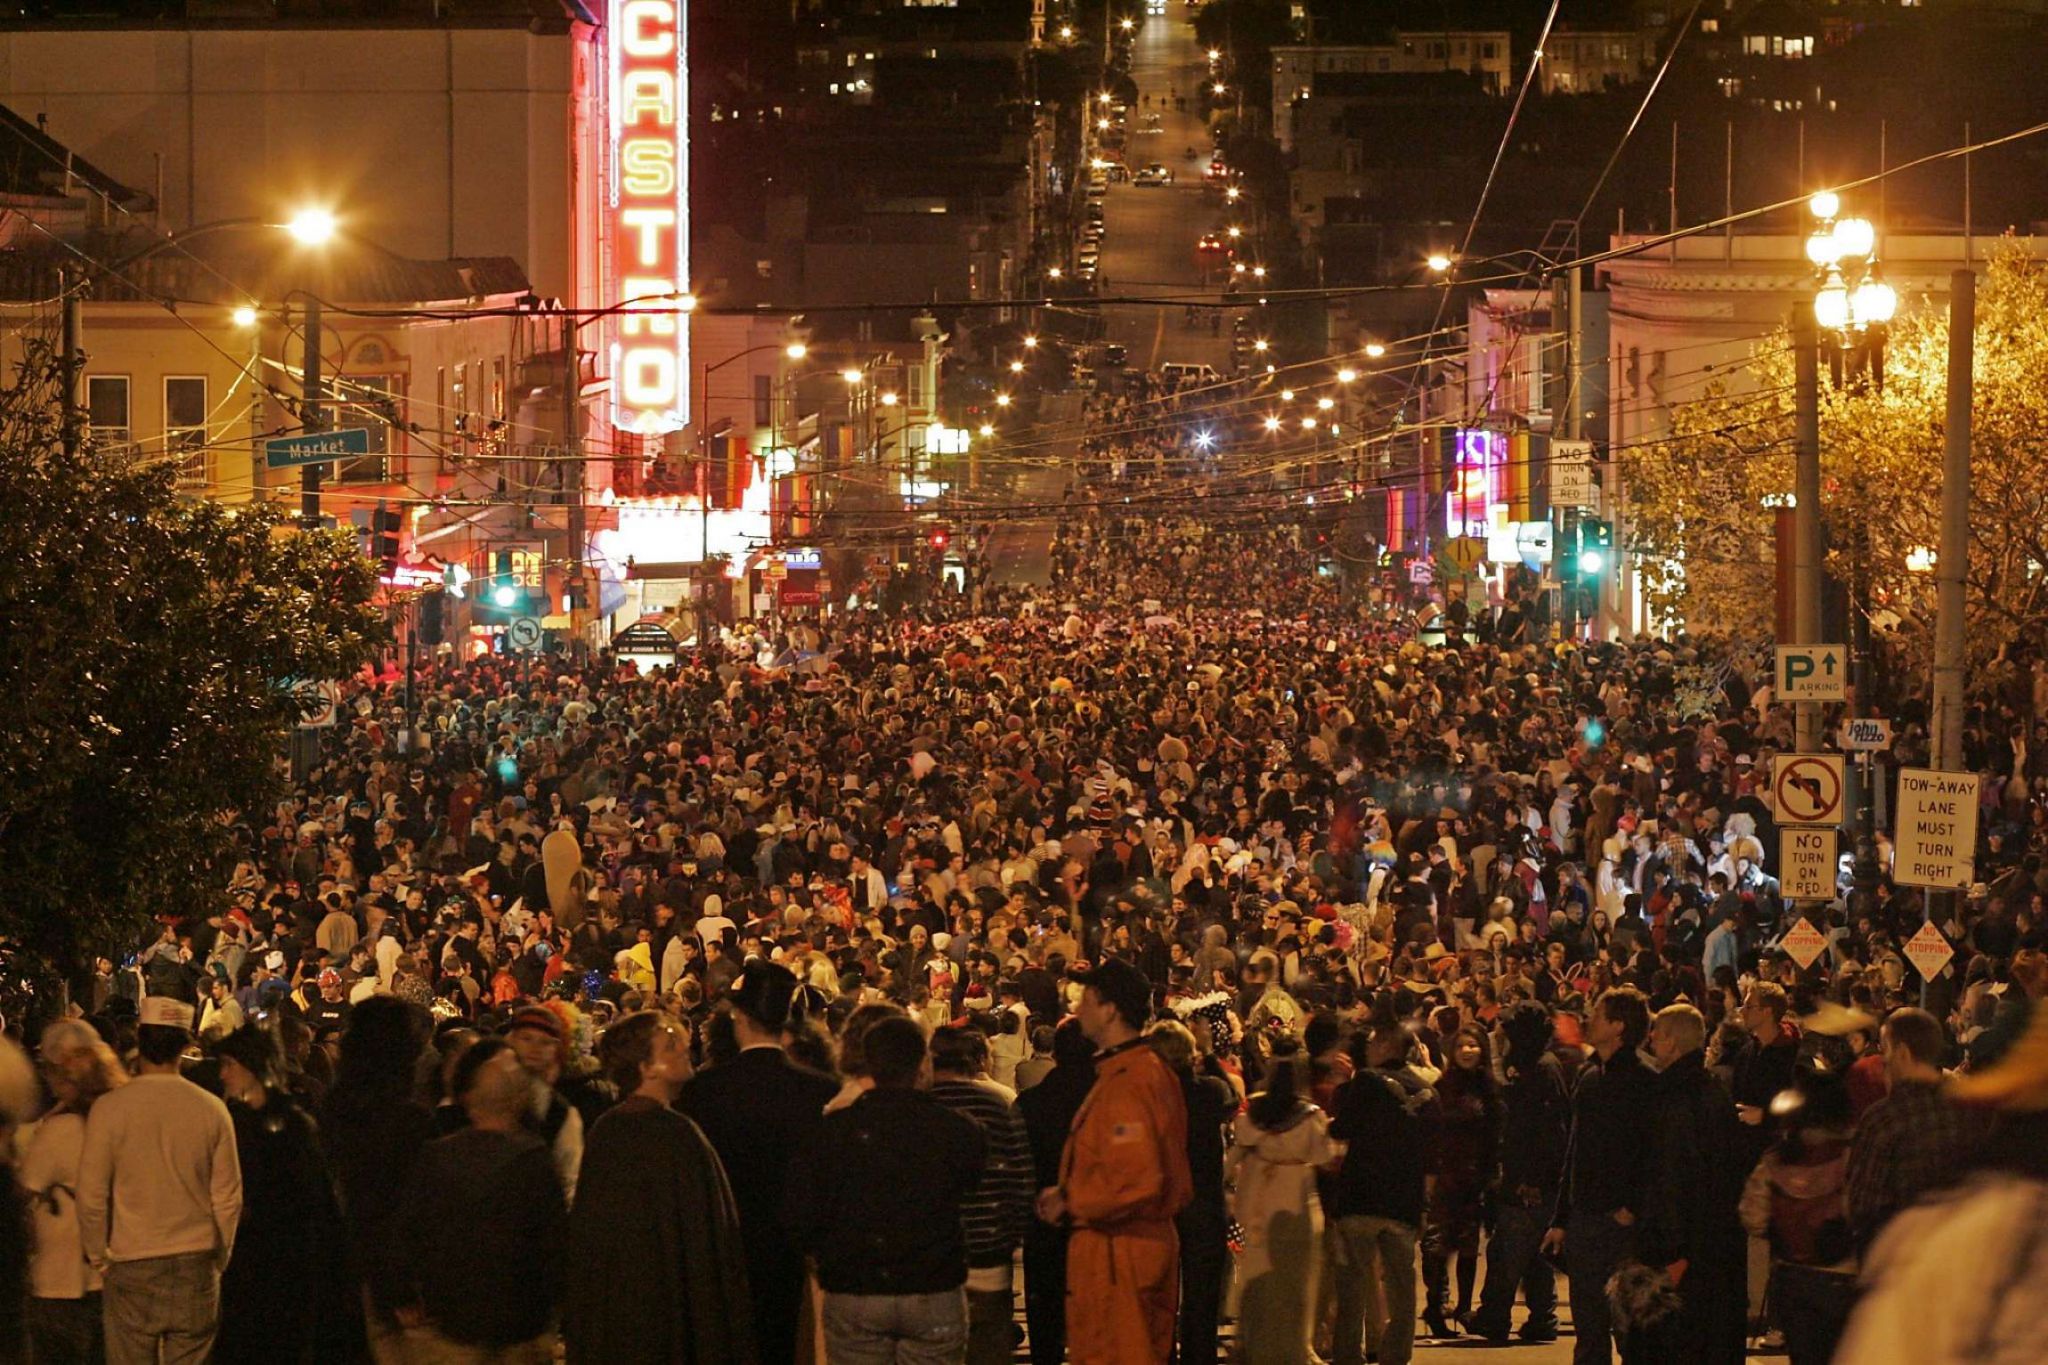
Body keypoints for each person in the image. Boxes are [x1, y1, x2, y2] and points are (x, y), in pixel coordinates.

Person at [786, 1015, 985, 1364]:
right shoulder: (958, 1130)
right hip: (931, 1283)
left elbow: (801, 1212)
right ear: (922, 1064)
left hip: (856, 1285)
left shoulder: (833, 1132)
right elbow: (971, 1183)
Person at [565, 1011, 754, 1364]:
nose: (684, 1048)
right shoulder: (674, 1135)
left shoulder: (609, 1132)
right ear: (645, 1067)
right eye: (670, 1046)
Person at [676, 960, 839, 1365]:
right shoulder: (820, 1090)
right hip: (797, 1250)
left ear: (740, 1019)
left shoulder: (703, 1092)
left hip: (727, 1242)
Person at [1037, 958, 1191, 1365]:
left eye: (1085, 999)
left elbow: (1136, 1179)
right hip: (1122, 1254)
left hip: (1120, 1259)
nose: (1078, 1010)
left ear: (1109, 1009)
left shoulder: (1131, 1081)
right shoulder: (1133, 1072)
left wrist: (1072, 1200)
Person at [75, 997, 243, 1365]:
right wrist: (220, 1256)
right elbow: (228, 1197)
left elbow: (90, 1195)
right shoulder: (211, 1109)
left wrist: (98, 1255)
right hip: (195, 1261)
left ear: (140, 1037)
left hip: (131, 1258)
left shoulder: (110, 1108)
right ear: (185, 1046)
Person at [396, 1038, 568, 1362]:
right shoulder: (533, 1159)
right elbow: (554, 1245)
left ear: (469, 1099)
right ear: (518, 1099)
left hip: (454, 1323)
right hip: (521, 1326)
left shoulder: (438, 1156)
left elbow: (409, 1230)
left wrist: (406, 1294)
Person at [209, 1024, 354, 1363]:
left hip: (274, 1260)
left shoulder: (277, 1124)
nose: (223, 1074)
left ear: (253, 1065)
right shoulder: (258, 1119)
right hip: (270, 1260)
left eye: (230, 1064)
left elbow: (311, 1197)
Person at [319, 994, 439, 1364]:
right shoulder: (407, 1122)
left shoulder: (331, 1109)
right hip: (383, 1281)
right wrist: (399, 1288)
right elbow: (391, 1209)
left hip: (335, 1270)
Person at [1542, 986, 1655, 1365]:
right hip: (1586, 1220)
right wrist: (1561, 1218)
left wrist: (1633, 1207)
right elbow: (1575, 1152)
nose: (1589, 1019)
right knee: (1589, 1330)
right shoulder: (1589, 1077)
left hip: (1622, 1225)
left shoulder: (1644, 1080)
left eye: (1599, 1014)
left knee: (1630, 1329)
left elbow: (1650, 1152)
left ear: (1619, 1025)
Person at [1636, 1003, 1747, 1365]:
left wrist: (1675, 1254)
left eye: (1657, 1032)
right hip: (1713, 1251)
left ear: (1671, 1041)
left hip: (1682, 1255)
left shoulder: (1674, 1097)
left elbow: (1675, 1178)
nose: (1651, 1038)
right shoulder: (1713, 1091)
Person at [1325, 1021, 1434, 1365]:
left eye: (1372, 1042)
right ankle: (1396, 1356)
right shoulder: (1429, 1093)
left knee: (1353, 1285)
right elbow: (1433, 1160)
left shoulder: (1368, 1082)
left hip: (1361, 1198)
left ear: (1387, 1046)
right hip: (1403, 1204)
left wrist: (1343, 1087)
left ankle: (1348, 1356)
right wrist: (1423, 1208)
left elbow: (1342, 1129)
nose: (1367, 1048)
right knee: (1402, 1289)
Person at [927, 1026, 1035, 1365]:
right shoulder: (1000, 1103)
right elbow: (1022, 1175)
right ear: (975, 1060)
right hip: (988, 1257)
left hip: (929, 1262)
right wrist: (1012, 1236)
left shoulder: (920, 1107)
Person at [20, 1020, 126, 1365]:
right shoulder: (117, 1118)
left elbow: (23, 1191)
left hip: (58, 1278)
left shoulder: (60, 1131)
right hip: (109, 1274)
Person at [1738, 1068, 1857, 1365]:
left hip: (1793, 1275)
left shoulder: (1779, 1158)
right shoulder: (1850, 1156)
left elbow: (1752, 1215)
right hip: (1842, 1274)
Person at [1844, 1006, 1986, 1248]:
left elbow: (1861, 1207)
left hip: (1901, 1260)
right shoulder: (1973, 1109)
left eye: (1884, 1048)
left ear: (1901, 1053)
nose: (1882, 1058)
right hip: (1961, 1254)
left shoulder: (1883, 1119)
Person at [1225, 1045, 1332, 1365]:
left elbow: (1234, 1155)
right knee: (1296, 1281)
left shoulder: (1252, 1112)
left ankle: (1253, 1344)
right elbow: (1322, 1156)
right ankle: (1296, 1348)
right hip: (1296, 1200)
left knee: (1256, 1277)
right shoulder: (1310, 1116)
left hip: (1257, 1201)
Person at [1471, 1001, 1569, 1345]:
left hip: (1531, 1181)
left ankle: (1494, 1315)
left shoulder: (1542, 1070)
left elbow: (1547, 1131)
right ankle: (1543, 1317)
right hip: (1531, 1176)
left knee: (1507, 1250)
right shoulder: (1535, 1066)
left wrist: (1532, 1178)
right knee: (1532, 1255)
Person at [1144, 1019, 1234, 1365]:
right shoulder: (1209, 1091)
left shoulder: (1149, 1097)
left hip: (1160, 1205)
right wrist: (1208, 1056)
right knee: (1202, 1299)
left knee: (1160, 1298)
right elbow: (1234, 1099)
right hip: (1204, 1202)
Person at [1016, 1020, 1094, 1365]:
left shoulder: (1030, 1102)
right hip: (1097, 1224)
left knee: (1045, 1321)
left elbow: (1017, 1165)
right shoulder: (1107, 1100)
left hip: (1043, 1221)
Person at [1420, 1023, 1498, 1337]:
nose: (1467, 1050)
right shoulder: (1442, 1087)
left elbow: (1495, 1134)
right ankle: (1436, 1307)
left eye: (1474, 1045)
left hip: (1476, 1176)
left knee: (1468, 1245)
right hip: (1447, 1176)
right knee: (1440, 1246)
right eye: (1462, 1045)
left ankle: (1464, 1307)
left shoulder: (1489, 1087)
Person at [503, 1004, 585, 1203]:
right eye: (527, 1038)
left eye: (545, 1042)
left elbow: (570, 1180)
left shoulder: (561, 1114)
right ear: (511, 1040)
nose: (535, 1048)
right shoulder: (492, 1093)